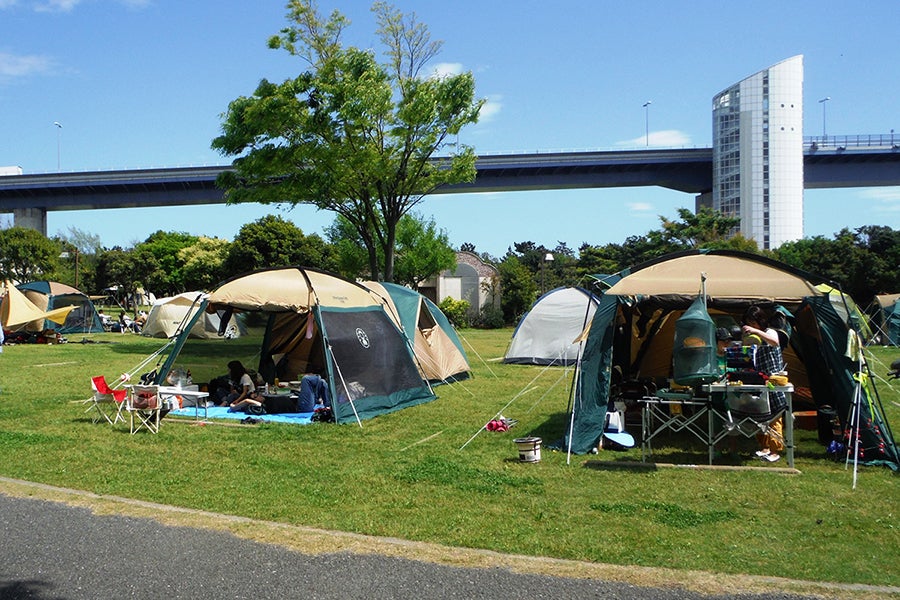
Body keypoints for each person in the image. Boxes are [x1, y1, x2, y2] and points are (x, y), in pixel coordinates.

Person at [741, 305, 787, 462]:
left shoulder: (770, 332)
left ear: (760, 321)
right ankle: (764, 447)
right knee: (761, 415)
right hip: (760, 380)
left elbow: (775, 341)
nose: (751, 325)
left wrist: (755, 331)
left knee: (775, 416)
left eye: (753, 322)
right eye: (749, 322)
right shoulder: (754, 337)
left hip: (773, 380)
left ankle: (775, 451)